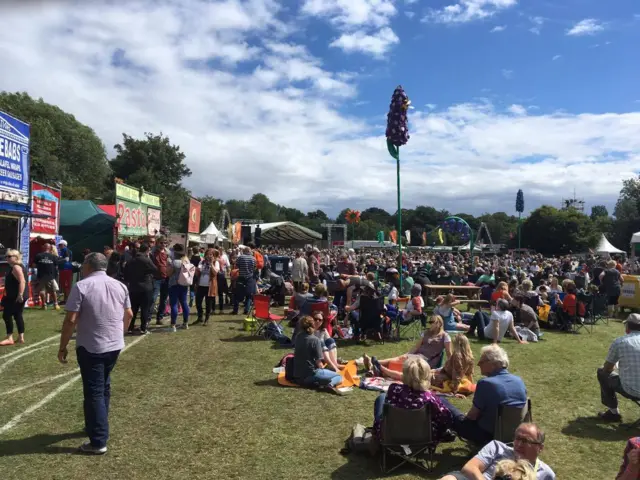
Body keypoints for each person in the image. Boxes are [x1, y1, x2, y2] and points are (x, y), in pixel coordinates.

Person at [58, 252, 133, 455]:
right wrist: (119, 334)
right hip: (114, 345)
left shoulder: (82, 286)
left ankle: (98, 440)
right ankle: (97, 422)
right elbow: (128, 315)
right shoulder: (119, 285)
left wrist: (63, 346)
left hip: (92, 346)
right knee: (104, 385)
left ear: (89, 266)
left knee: (94, 392)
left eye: (83, 264)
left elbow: (70, 320)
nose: (81, 268)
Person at [440, 345, 527, 446]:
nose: (478, 364)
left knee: (442, 402)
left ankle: (439, 433)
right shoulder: (519, 381)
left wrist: (465, 416)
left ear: (493, 364)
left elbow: (472, 416)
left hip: (487, 435)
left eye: (481, 362)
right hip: (513, 433)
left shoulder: (486, 383)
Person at [373, 356, 453, 441]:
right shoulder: (430, 398)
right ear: (426, 376)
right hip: (423, 439)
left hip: (391, 436)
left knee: (381, 398)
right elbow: (445, 418)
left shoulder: (394, 389)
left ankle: (376, 434)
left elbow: (386, 412)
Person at [439, 423, 555, 480]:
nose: (519, 444)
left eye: (525, 441)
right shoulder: (497, 447)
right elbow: (469, 468)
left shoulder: (546, 474)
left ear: (540, 447)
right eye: (517, 439)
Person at [364, 315, 452, 381]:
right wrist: (408, 354)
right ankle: (374, 367)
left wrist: (447, 368)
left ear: (439, 323)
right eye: (430, 321)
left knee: (399, 361)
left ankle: (375, 364)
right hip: (418, 356)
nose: (430, 324)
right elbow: (416, 347)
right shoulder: (426, 333)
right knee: (400, 359)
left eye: (432, 322)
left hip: (427, 360)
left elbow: (449, 354)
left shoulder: (445, 336)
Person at [596, 313, 640, 422]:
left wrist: (617, 366)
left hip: (631, 390)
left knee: (602, 372)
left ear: (627, 327)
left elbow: (607, 369)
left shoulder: (620, 342)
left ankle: (613, 412)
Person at [292, 315, 344, 395]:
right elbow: (319, 364)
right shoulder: (315, 340)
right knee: (339, 377)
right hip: (310, 374)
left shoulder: (298, 337)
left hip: (297, 376)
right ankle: (329, 385)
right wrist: (326, 368)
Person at [123, 243, 157, 335]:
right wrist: (147, 272)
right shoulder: (146, 260)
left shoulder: (130, 260)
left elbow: (125, 274)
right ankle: (143, 328)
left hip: (133, 287)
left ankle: (129, 327)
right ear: (147, 250)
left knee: (133, 308)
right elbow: (155, 269)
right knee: (145, 309)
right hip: (146, 287)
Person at [1, 249, 28, 346]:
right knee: (17, 315)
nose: (7, 258)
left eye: (9, 256)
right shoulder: (16, 266)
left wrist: (20, 294)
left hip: (15, 296)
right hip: (16, 295)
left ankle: (9, 338)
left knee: (6, 315)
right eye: (6, 256)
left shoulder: (16, 267)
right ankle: (21, 337)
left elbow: (22, 281)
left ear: (16, 257)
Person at [167, 244, 193, 332]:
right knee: (184, 303)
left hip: (174, 285)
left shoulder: (173, 262)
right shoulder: (187, 261)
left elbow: (169, 274)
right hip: (184, 285)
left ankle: (173, 325)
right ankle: (185, 323)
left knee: (174, 304)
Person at [33, 243, 60, 310]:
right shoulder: (53, 256)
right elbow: (56, 266)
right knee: (53, 291)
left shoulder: (38, 255)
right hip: (50, 276)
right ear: (50, 248)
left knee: (42, 290)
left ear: (43, 248)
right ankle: (56, 304)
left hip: (41, 276)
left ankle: (44, 305)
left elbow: (34, 265)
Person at [151, 237, 171, 324]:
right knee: (153, 298)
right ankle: (148, 318)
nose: (163, 244)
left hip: (166, 278)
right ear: (158, 242)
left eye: (165, 243)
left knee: (163, 299)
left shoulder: (168, 253)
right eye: (161, 242)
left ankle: (160, 318)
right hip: (156, 279)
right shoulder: (153, 252)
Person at [232, 246, 256, 315]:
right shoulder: (253, 258)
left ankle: (235, 310)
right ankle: (246, 310)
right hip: (250, 278)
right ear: (249, 251)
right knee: (249, 295)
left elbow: (237, 266)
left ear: (244, 251)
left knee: (237, 295)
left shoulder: (240, 257)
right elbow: (254, 268)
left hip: (241, 277)